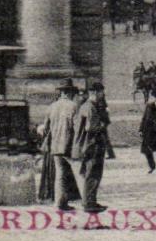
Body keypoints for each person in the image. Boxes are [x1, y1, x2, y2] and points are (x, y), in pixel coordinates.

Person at [41, 81, 82, 210]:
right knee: (80, 174)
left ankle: (60, 203)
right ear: (70, 92)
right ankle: (87, 202)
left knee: (60, 175)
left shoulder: (52, 107)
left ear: (61, 92)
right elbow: (78, 128)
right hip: (70, 147)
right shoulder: (74, 106)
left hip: (55, 147)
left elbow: (45, 128)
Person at [71, 81, 110, 214]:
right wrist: (102, 126)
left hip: (89, 145)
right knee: (93, 174)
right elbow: (91, 127)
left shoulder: (86, 106)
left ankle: (90, 201)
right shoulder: (90, 107)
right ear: (95, 93)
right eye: (101, 92)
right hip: (92, 145)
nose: (102, 95)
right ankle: (89, 203)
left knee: (91, 174)